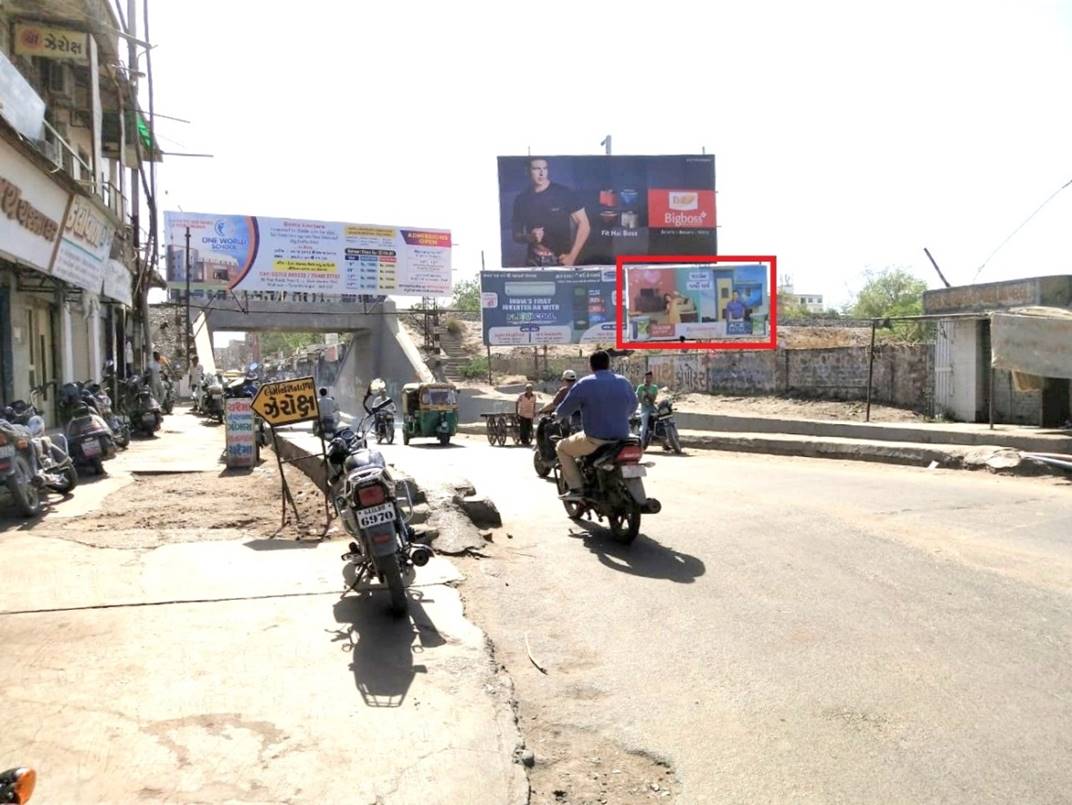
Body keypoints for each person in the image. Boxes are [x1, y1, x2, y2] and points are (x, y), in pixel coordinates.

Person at [554, 350, 638, 500]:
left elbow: (565, 409)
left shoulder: (585, 383)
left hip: (595, 439)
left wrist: (556, 415)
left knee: (561, 447)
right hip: (622, 437)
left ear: (591, 366)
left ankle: (576, 489)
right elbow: (633, 406)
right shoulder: (623, 381)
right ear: (608, 364)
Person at [511, 157, 591, 267]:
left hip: (560, 259)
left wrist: (572, 256)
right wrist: (530, 237)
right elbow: (516, 235)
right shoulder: (521, 199)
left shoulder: (564, 193)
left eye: (544, 168)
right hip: (533, 260)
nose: (541, 173)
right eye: (536, 169)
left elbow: (585, 225)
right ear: (527, 171)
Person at [636, 371, 659, 446]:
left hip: (652, 407)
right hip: (644, 409)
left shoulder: (654, 388)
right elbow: (639, 399)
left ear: (651, 378)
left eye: (649, 377)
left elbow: (653, 400)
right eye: (646, 377)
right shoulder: (640, 387)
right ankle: (641, 443)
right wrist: (644, 402)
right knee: (644, 426)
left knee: (662, 419)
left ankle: (665, 441)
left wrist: (647, 392)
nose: (647, 379)